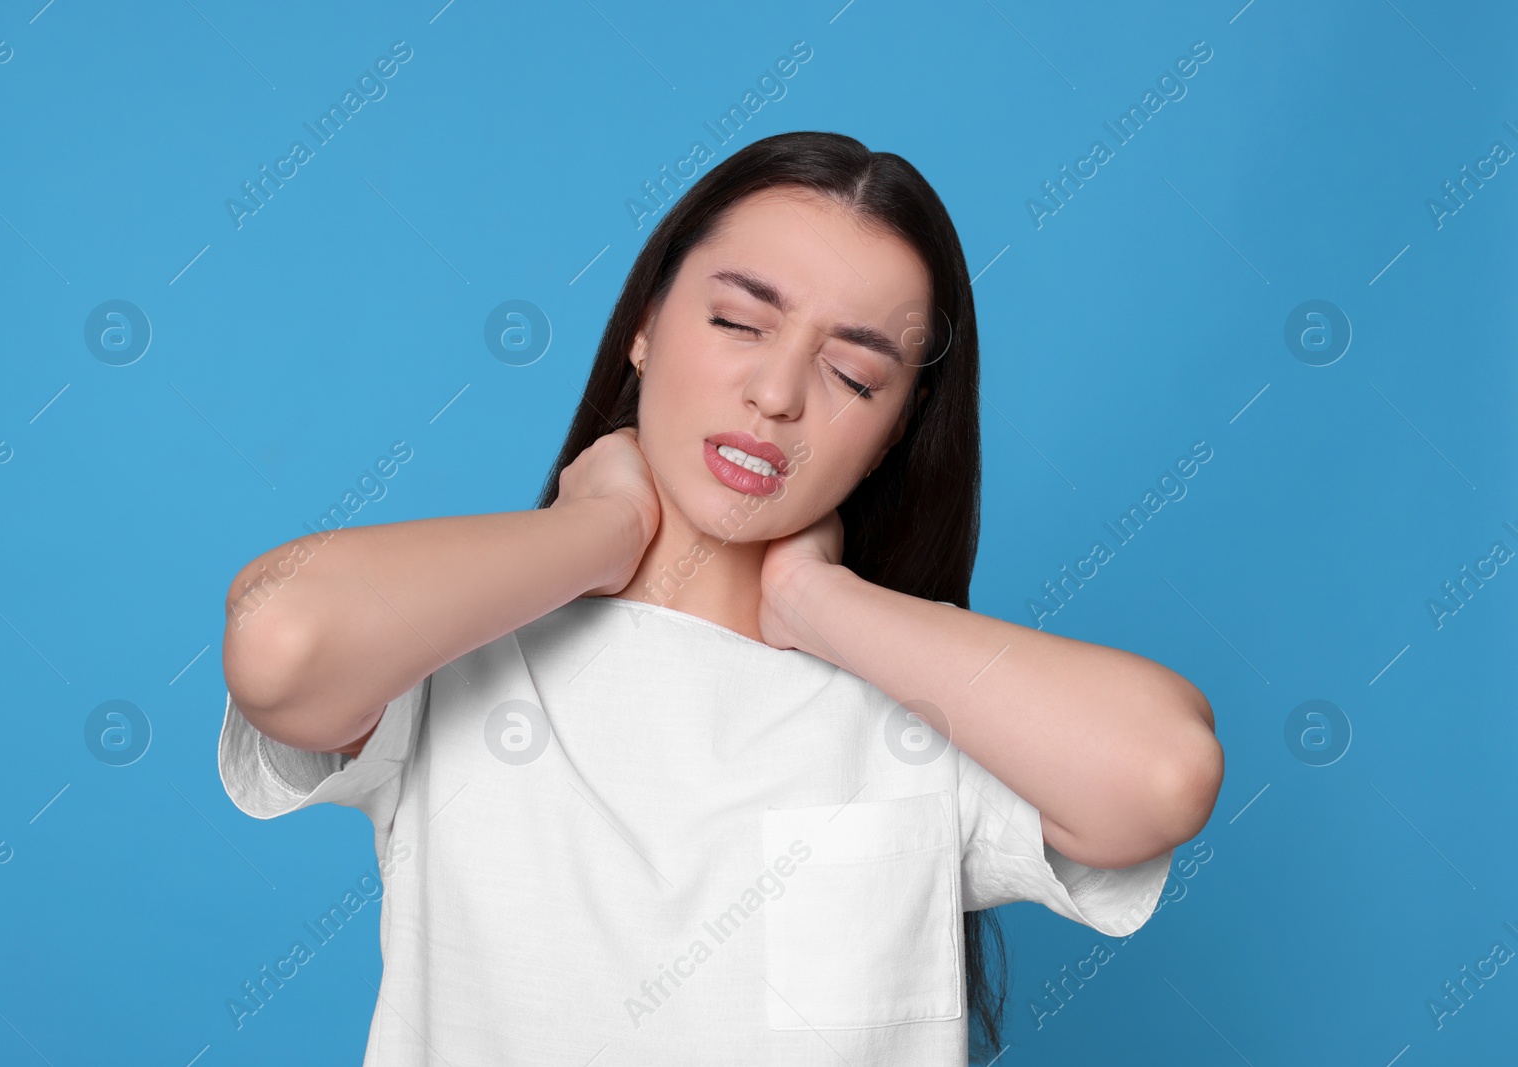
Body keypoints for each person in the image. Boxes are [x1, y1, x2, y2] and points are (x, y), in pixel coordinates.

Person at [217, 130, 1223, 1065]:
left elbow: (1163, 771)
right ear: (645, 326)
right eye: (740, 320)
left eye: (852, 374)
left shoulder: (927, 716)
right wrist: (594, 531)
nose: (777, 391)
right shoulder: (451, 656)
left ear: (896, 430)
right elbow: (281, 639)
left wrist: (815, 599)